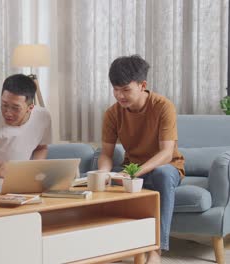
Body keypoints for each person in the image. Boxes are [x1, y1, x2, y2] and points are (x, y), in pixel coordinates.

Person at [98, 55, 184, 264]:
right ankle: (108, 248)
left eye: (126, 89)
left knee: (162, 174)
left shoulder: (163, 106)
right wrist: (102, 174)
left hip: (167, 167)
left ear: (142, 85)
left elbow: (166, 153)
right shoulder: (112, 113)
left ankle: (156, 250)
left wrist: (134, 172)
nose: (120, 95)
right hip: (132, 170)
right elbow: (106, 154)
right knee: (94, 178)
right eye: (115, 89)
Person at [0, 74, 52, 182]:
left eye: (15, 108)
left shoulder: (43, 117)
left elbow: (41, 148)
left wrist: (34, 168)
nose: (8, 113)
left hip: (28, 173)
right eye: (4, 105)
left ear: (30, 108)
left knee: (70, 174)